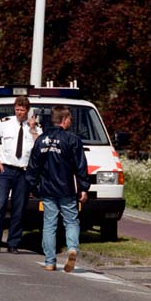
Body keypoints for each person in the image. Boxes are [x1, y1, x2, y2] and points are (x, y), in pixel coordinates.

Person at [25, 105, 89, 272]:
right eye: (70, 119)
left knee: (49, 224)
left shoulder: (41, 140)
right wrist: (84, 187)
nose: (71, 122)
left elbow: (33, 166)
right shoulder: (72, 140)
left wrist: (31, 185)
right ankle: (72, 248)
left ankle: (49, 261)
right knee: (71, 221)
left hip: (47, 189)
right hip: (67, 188)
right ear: (64, 119)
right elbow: (80, 166)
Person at [0, 97, 40, 253]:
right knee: (0, 204)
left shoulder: (34, 127)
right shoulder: (5, 123)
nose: (19, 113)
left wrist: (33, 129)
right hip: (5, 170)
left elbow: (40, 147)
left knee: (19, 208)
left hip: (23, 172)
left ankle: (13, 243)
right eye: (17, 110)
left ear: (27, 111)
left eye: (22, 110)